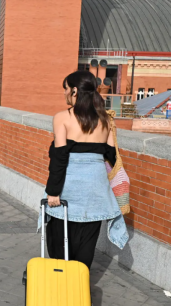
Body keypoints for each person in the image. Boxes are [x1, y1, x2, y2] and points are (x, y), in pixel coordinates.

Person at [43, 70, 128, 270]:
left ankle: (61, 289)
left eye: (65, 89)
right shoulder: (106, 119)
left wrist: (53, 191)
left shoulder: (62, 118)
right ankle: (79, 291)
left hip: (69, 186)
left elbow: (60, 158)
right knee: (86, 246)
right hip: (96, 188)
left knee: (58, 244)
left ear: (74, 91)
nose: (64, 93)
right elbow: (112, 156)